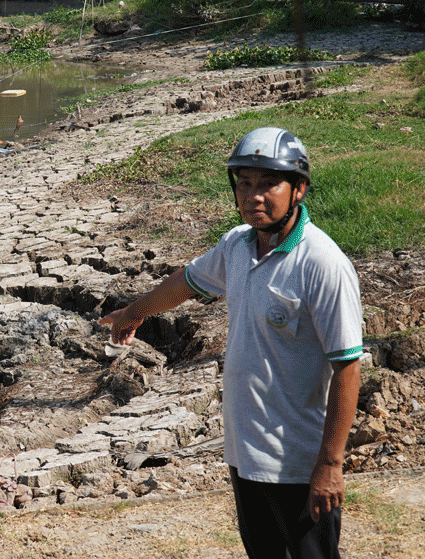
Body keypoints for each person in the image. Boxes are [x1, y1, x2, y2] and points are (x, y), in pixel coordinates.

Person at [100, 127, 362, 559]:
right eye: (244, 183)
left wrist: (330, 465)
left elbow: (348, 367)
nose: (253, 196)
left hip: (299, 460)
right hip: (245, 451)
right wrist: (134, 312)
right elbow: (185, 283)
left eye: (267, 184)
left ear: (297, 189)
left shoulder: (322, 264)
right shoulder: (237, 246)